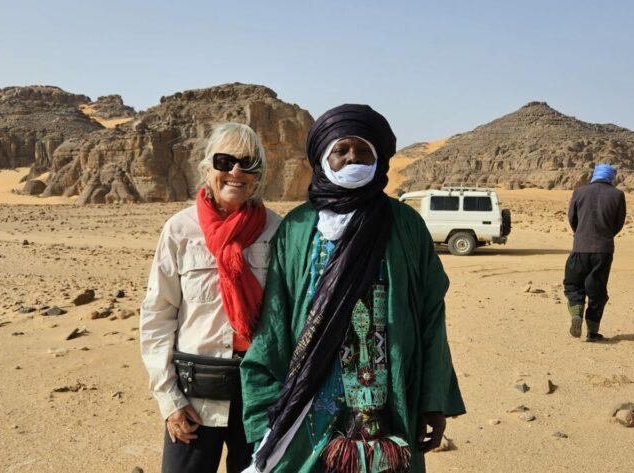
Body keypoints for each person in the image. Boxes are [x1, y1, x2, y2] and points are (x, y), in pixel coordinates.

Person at [241, 104, 466, 473]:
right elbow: (275, 321)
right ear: (323, 158)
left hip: (389, 400)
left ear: (379, 158)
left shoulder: (406, 225)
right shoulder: (298, 228)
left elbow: (430, 315)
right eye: (341, 150)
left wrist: (432, 399)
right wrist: (266, 404)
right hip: (309, 400)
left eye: (364, 150)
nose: (352, 158)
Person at [140, 122, 282, 473]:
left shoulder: (277, 230)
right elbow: (158, 314)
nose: (236, 171)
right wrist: (169, 399)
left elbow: (290, 317)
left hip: (259, 394)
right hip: (194, 395)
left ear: (259, 174)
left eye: (247, 163)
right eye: (225, 161)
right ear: (207, 169)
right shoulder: (180, 229)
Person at [564, 163, 626, 342]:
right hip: (603, 250)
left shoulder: (579, 192)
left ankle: (576, 312)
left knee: (573, 284)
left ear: (595, 175)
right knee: (597, 290)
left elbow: (572, 218)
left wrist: (581, 233)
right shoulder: (617, 195)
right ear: (611, 177)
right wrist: (605, 235)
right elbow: (619, 222)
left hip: (580, 247)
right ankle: (592, 332)